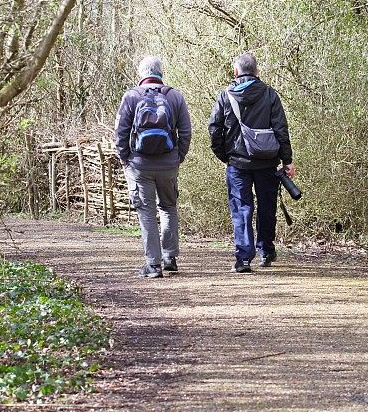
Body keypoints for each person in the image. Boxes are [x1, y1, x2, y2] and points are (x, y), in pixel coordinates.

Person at [208, 53, 295, 273]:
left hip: (237, 163)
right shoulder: (269, 94)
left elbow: (214, 130)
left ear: (236, 72)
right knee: (267, 207)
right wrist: (287, 160)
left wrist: (224, 155)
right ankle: (266, 251)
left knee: (241, 208)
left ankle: (244, 258)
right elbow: (281, 129)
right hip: (267, 162)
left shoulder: (225, 96)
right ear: (256, 72)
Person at [115, 56, 192, 278]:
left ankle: (153, 264)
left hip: (140, 165)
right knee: (168, 208)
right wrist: (179, 156)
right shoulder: (175, 96)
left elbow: (120, 131)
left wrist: (124, 158)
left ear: (142, 74)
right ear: (161, 72)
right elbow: (186, 131)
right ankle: (170, 257)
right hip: (169, 163)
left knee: (147, 213)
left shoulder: (131, 96)